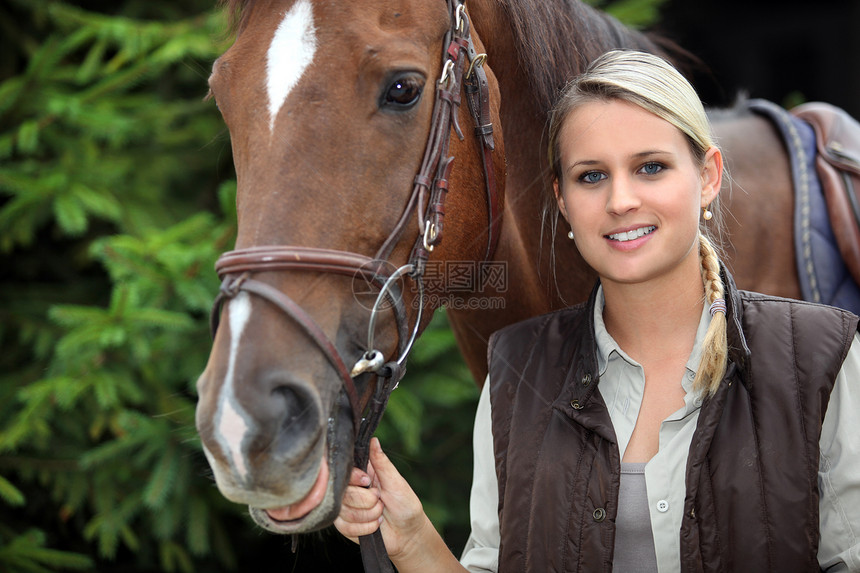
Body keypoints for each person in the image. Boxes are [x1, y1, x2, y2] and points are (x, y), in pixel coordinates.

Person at [334, 50, 860, 572]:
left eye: (650, 167)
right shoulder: (516, 370)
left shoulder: (821, 357)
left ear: (708, 176)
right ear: (562, 200)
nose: (620, 200)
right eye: (591, 176)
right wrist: (411, 538)